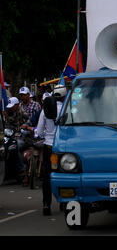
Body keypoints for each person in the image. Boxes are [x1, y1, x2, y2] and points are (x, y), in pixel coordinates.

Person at [36, 85, 65, 215]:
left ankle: (46, 205)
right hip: (62, 149)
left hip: (49, 148)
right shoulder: (67, 108)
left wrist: (47, 135)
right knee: (64, 176)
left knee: (47, 177)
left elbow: (40, 131)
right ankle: (64, 202)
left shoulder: (44, 110)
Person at [4, 97, 30, 179]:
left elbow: (29, 120)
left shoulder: (21, 111)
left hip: (21, 135)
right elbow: (9, 123)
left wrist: (25, 126)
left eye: (13, 106)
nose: (11, 107)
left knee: (17, 145)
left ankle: (21, 169)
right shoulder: (9, 111)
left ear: (17, 105)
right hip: (10, 134)